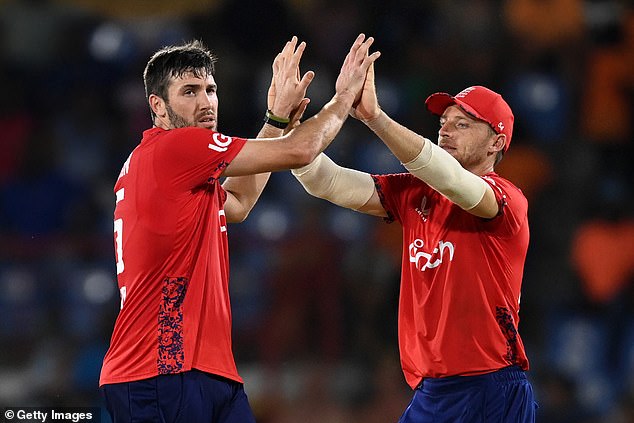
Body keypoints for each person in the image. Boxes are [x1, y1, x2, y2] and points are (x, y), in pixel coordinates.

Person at [99, 34, 380, 423]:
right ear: (158, 107)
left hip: (207, 372)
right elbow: (300, 150)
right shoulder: (175, 149)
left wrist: (276, 120)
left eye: (211, 90)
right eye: (190, 91)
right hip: (159, 370)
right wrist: (344, 100)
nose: (206, 103)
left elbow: (240, 204)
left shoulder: (176, 168)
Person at [291, 62, 538, 422]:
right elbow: (325, 181)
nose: (446, 131)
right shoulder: (415, 195)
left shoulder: (506, 200)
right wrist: (288, 126)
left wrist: (376, 118)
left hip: (490, 387)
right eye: (443, 124)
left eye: (462, 124)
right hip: (430, 392)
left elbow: (451, 180)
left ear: (496, 143)